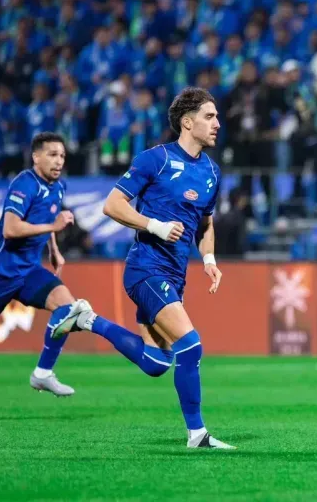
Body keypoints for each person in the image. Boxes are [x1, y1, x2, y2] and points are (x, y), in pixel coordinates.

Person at [51, 87, 234, 450]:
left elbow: (205, 224)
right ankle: (197, 435)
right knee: (191, 346)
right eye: (209, 116)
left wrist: (209, 260)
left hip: (175, 275)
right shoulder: (156, 159)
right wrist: (155, 226)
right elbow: (112, 205)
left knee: (156, 362)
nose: (217, 123)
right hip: (146, 269)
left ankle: (87, 319)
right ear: (187, 122)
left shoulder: (212, 172)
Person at [0, 132, 88, 397]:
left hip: (29, 271)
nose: (59, 161)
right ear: (36, 157)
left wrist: (53, 249)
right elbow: (11, 230)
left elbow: (46, 217)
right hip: (0, 271)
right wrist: (54, 227)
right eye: (52, 155)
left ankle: (43, 374)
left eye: (62, 156)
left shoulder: (59, 187)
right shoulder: (24, 183)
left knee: (67, 308)